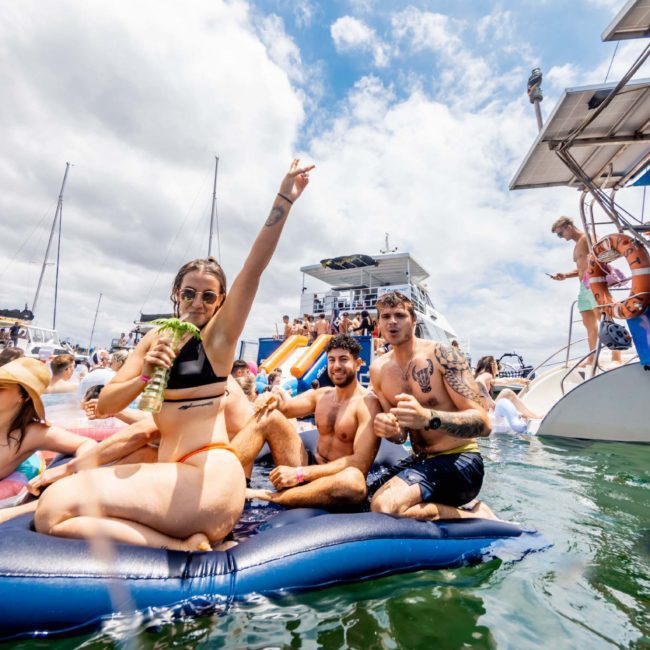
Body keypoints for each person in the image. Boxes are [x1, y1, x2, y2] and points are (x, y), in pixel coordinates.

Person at [32, 159, 314, 551]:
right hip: (176, 479)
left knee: (54, 509)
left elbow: (253, 269)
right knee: (54, 507)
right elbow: (110, 403)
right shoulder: (155, 339)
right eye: (189, 293)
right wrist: (147, 372)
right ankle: (185, 540)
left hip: (209, 476)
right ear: (175, 294)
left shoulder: (218, 340)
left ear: (220, 302)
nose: (198, 302)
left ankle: (178, 546)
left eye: (209, 295)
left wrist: (284, 199)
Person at [367, 291, 494, 521]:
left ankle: (475, 515)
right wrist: (391, 430)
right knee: (363, 499)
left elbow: (484, 424)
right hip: (422, 460)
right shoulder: (378, 370)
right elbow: (401, 434)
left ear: (414, 320)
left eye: (400, 315)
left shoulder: (442, 356)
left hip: (461, 460)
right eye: (385, 316)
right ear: (379, 323)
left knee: (385, 507)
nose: (392, 321)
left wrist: (428, 417)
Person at [241, 334, 381, 508]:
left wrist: (299, 474)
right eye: (331, 360)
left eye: (343, 359)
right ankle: (216, 473)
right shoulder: (321, 395)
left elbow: (360, 463)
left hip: (335, 481)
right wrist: (272, 399)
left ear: (358, 364)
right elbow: (285, 408)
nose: (336, 366)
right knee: (269, 415)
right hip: (308, 470)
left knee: (355, 481)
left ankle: (270, 496)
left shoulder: (368, 404)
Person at [0, 358, 97, 488]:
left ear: (24, 396)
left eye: (1, 387)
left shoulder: (32, 434)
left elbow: (87, 444)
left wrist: (68, 469)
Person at [550, 216, 621, 365]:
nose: (561, 237)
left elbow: (605, 253)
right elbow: (580, 269)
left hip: (594, 283)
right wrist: (565, 275)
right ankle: (592, 357)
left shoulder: (589, 237)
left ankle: (616, 356)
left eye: (560, 234)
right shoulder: (576, 247)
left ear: (568, 227)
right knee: (588, 322)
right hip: (583, 286)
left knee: (603, 317)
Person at [473, 356, 539, 420]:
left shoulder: (482, 376)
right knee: (507, 392)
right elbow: (478, 382)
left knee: (506, 393)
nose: (498, 367)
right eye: (496, 364)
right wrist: (490, 401)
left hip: (482, 413)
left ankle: (525, 414)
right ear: (493, 365)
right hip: (485, 415)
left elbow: (504, 381)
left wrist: (520, 380)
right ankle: (531, 415)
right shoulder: (487, 375)